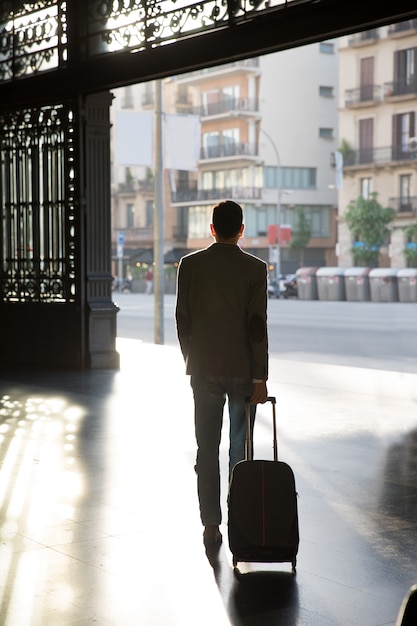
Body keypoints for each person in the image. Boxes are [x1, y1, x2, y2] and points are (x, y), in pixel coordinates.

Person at [175, 200, 269, 546]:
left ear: (212, 229)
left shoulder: (189, 265)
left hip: (204, 370)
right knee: (240, 447)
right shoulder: (255, 269)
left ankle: (210, 524)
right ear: (241, 230)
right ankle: (240, 517)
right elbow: (257, 325)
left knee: (206, 448)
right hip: (244, 372)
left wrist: (192, 358)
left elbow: (182, 319)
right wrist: (260, 377)